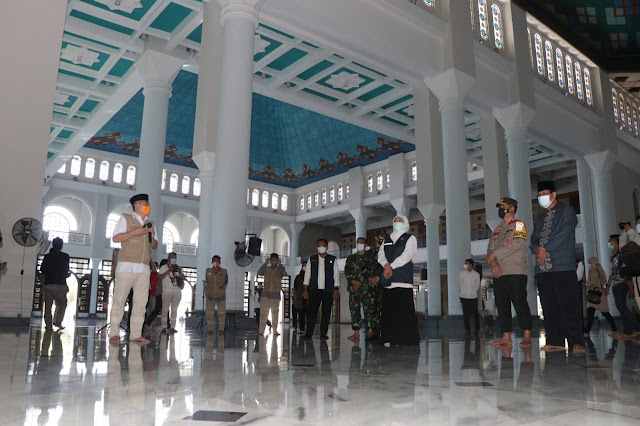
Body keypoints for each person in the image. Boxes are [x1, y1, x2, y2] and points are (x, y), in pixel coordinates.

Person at [530, 181, 585, 353]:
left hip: (562, 267)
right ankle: (555, 341)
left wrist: (544, 250)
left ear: (554, 195)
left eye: (544, 194)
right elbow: (533, 240)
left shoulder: (567, 211)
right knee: (549, 307)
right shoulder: (540, 218)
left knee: (569, 306)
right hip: (543, 270)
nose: (541, 197)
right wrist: (537, 249)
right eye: (539, 195)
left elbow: (564, 234)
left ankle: (577, 341)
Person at [109, 194, 158, 345]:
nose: (147, 205)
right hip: (126, 266)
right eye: (145, 203)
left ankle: (136, 334)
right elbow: (116, 238)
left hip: (144, 268)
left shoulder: (151, 223)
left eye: (148, 203)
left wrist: (151, 235)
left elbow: (155, 245)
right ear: (136, 205)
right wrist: (135, 232)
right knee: (119, 301)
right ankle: (114, 334)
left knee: (141, 303)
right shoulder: (125, 218)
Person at [486, 197, 533, 349]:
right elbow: (489, 251)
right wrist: (493, 262)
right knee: (502, 305)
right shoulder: (497, 230)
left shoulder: (519, 225)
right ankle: (506, 337)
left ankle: (527, 335)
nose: (501, 209)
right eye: (500, 206)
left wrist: (494, 255)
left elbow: (518, 244)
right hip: (499, 272)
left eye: (504, 206)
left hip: (515, 271)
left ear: (512, 208)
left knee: (519, 303)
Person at [378, 214, 420, 347]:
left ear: (405, 223)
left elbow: (407, 255)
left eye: (400, 220)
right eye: (395, 220)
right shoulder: (387, 239)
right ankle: (389, 338)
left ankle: (404, 339)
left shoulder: (410, 238)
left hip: (402, 280)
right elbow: (381, 255)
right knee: (389, 311)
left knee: (403, 311)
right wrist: (386, 266)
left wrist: (391, 266)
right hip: (389, 281)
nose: (397, 222)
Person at [345, 237, 384, 342]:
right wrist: (353, 282)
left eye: (362, 243)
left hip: (367, 289)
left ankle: (370, 330)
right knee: (354, 310)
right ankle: (356, 333)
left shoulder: (371, 257)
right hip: (354, 289)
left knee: (369, 310)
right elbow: (347, 272)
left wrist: (378, 241)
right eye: (358, 243)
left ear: (366, 245)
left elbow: (379, 252)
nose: (359, 244)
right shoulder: (351, 258)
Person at [302, 239, 340, 340]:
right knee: (312, 312)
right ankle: (308, 333)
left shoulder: (332, 259)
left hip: (328, 290)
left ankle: (323, 334)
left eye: (323, 245)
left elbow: (336, 274)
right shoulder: (312, 259)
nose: (321, 247)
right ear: (316, 247)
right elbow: (307, 275)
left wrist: (336, 289)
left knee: (326, 312)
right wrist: (305, 289)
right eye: (319, 245)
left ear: (327, 247)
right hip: (314, 290)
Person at [608, 235, 640, 339]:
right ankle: (627, 331)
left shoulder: (621, 254)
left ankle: (636, 328)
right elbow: (612, 271)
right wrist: (608, 284)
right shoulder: (613, 254)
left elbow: (624, 269)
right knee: (621, 307)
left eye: (611, 241)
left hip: (621, 282)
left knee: (621, 306)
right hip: (615, 283)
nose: (609, 243)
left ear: (616, 242)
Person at [39, 237, 70, 331]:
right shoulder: (65, 256)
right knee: (62, 305)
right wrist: (66, 275)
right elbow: (65, 270)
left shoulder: (47, 256)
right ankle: (58, 322)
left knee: (48, 306)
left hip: (48, 285)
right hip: (60, 285)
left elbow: (42, 270)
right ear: (61, 246)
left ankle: (48, 326)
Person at [583, 257, 618, 336]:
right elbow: (604, 281)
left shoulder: (593, 270)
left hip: (594, 295)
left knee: (591, 314)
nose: (588, 264)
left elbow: (593, 282)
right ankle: (614, 329)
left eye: (589, 262)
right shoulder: (600, 269)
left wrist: (586, 285)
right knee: (605, 314)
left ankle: (586, 332)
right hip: (600, 295)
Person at [256, 253, 288, 336]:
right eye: (272, 259)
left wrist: (280, 264)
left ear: (277, 260)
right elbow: (259, 272)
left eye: (275, 259)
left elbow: (284, 274)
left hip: (275, 295)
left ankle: (275, 331)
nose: (273, 261)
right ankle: (261, 331)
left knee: (275, 314)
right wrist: (265, 263)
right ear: (270, 260)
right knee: (263, 314)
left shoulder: (279, 269)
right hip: (265, 294)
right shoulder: (266, 269)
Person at [159, 252, 185, 334]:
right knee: (165, 309)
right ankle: (164, 327)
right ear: (169, 258)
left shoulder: (177, 268)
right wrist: (168, 271)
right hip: (167, 291)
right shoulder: (163, 267)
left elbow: (183, 278)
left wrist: (180, 272)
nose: (174, 260)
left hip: (177, 291)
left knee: (174, 310)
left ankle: (173, 327)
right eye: (172, 258)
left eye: (175, 258)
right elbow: (160, 277)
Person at [204, 255, 228, 336]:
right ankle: (210, 328)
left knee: (221, 313)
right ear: (211, 262)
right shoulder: (208, 271)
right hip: (210, 295)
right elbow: (207, 280)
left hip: (220, 296)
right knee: (209, 313)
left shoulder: (224, 271)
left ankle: (221, 329)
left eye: (217, 261)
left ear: (220, 263)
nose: (216, 263)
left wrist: (221, 287)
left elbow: (226, 282)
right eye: (214, 261)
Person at [458, 258, 481, 336]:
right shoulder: (461, 274)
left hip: (473, 296)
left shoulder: (476, 274)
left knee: (475, 314)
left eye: (466, 263)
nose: (465, 265)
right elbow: (460, 285)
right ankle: (467, 330)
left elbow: (477, 286)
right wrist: (464, 293)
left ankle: (477, 329)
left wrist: (472, 292)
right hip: (464, 296)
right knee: (466, 315)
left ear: (471, 265)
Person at [144, 261, 162, 331]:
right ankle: (147, 324)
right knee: (149, 309)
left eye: (156, 266)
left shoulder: (158, 275)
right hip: (150, 294)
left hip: (156, 294)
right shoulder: (149, 274)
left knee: (155, 310)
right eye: (154, 266)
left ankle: (152, 325)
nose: (155, 267)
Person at [292, 261, 307, 335]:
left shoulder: (310, 276)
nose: (305, 267)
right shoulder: (298, 277)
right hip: (299, 298)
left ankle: (308, 329)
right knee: (300, 313)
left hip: (308, 298)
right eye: (304, 266)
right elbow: (295, 288)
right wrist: (295, 298)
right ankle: (302, 328)